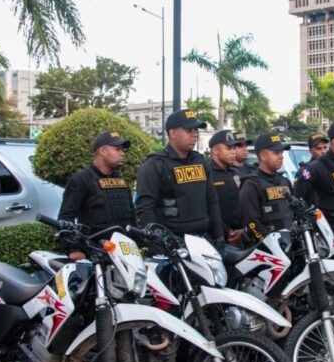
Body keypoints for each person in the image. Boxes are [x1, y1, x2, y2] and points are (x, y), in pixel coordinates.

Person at [135, 109, 223, 246]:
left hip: (204, 241)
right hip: (173, 243)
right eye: (189, 130)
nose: (195, 135)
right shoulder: (155, 165)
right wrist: (156, 245)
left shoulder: (200, 161)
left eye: (196, 130)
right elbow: (145, 209)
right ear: (173, 133)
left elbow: (212, 201)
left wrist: (219, 236)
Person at [58, 130, 136, 261]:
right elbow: (66, 217)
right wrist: (74, 249)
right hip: (94, 253)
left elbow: (131, 216)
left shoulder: (121, 180)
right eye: (117, 149)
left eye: (123, 150)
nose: (122, 153)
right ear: (103, 151)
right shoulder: (81, 179)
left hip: (123, 253)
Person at [239, 133, 293, 242]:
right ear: (263, 155)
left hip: (291, 244)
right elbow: (252, 223)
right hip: (267, 249)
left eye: (281, 152)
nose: (281, 156)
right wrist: (270, 243)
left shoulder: (284, 182)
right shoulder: (251, 184)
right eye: (276, 153)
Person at [209, 129, 244, 245]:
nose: (233, 152)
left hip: (239, 236)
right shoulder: (207, 174)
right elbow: (206, 209)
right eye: (228, 148)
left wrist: (242, 230)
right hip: (215, 237)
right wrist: (226, 231)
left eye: (234, 148)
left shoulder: (236, 173)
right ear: (215, 150)